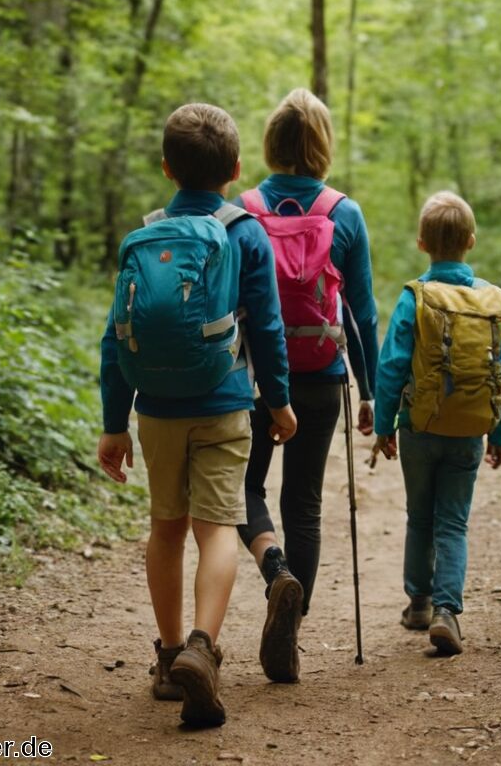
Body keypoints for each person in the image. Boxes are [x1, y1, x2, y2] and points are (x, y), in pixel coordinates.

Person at [98, 102, 298, 728]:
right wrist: (279, 399)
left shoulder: (146, 236)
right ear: (236, 169)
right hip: (224, 403)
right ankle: (203, 649)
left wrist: (113, 422)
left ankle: (166, 658)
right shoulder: (245, 232)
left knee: (166, 528)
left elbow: (115, 337)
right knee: (217, 528)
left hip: (156, 410)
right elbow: (265, 326)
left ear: (167, 169)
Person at [235, 88, 380, 683]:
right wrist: (369, 392)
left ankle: (276, 573)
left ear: (271, 142)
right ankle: (288, 636)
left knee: (241, 488)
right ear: (322, 145)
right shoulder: (343, 211)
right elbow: (363, 313)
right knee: (306, 504)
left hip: (250, 380)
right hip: (321, 377)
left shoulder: (241, 209)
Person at [372, 191, 501, 657]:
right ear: (471, 241)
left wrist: (383, 425)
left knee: (420, 516)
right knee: (452, 523)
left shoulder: (415, 297)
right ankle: (447, 612)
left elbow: (392, 365)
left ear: (421, 243)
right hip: (469, 431)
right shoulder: (491, 303)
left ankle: (418, 602)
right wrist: (500, 433)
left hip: (419, 426)